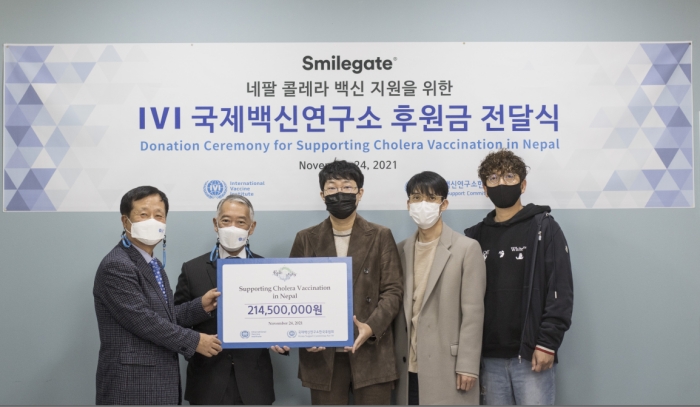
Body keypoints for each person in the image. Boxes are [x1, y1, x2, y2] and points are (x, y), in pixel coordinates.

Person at [93, 186, 222, 405]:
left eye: (159, 216)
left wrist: (201, 306)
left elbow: (165, 316)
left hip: (159, 384)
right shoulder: (117, 265)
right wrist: (195, 341)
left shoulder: (153, 265)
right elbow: (144, 321)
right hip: (132, 387)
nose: (152, 221)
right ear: (125, 221)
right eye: (143, 215)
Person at [464, 150, 574, 405]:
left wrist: (547, 344)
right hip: (489, 358)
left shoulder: (544, 228)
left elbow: (560, 290)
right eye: (493, 178)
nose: (501, 183)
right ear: (485, 189)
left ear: (523, 185)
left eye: (509, 177)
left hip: (532, 355)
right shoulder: (474, 237)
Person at [289, 160, 403, 405]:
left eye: (347, 187)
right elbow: (293, 293)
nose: (339, 193)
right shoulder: (305, 238)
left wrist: (371, 327)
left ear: (360, 193)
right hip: (322, 354)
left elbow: (393, 291)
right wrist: (304, 335)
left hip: (372, 349)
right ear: (322, 195)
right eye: (332, 187)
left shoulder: (381, 235)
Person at [175, 194, 280, 405]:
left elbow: (278, 317)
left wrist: (282, 336)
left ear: (251, 227)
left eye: (241, 222)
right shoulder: (192, 269)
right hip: (207, 381)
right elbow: (174, 319)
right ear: (216, 224)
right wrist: (200, 311)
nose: (233, 227)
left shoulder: (269, 269)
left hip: (254, 383)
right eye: (226, 220)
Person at [394, 171, 486, 405]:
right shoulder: (400, 250)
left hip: (448, 366)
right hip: (406, 367)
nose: (423, 204)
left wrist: (468, 365)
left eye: (431, 198)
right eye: (416, 198)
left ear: (443, 204)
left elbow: (473, 314)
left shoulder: (467, 248)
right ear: (408, 204)